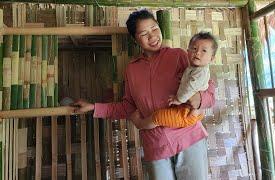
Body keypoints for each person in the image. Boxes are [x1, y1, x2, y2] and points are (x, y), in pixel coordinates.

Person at [74, 9, 215, 180]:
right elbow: (127, 107)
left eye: (154, 28)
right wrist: (93, 107)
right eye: (144, 33)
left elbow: (208, 89)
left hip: (189, 137)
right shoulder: (131, 69)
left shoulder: (178, 55)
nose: (152, 36)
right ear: (135, 39)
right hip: (155, 146)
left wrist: (199, 99)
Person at [135, 31, 218, 130]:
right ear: (188, 50)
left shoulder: (198, 70)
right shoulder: (193, 68)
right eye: (194, 48)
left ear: (212, 58)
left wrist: (179, 99)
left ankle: (140, 124)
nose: (198, 52)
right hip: (186, 110)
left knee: (159, 117)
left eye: (204, 51)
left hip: (188, 113)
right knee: (160, 117)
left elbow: (196, 89)